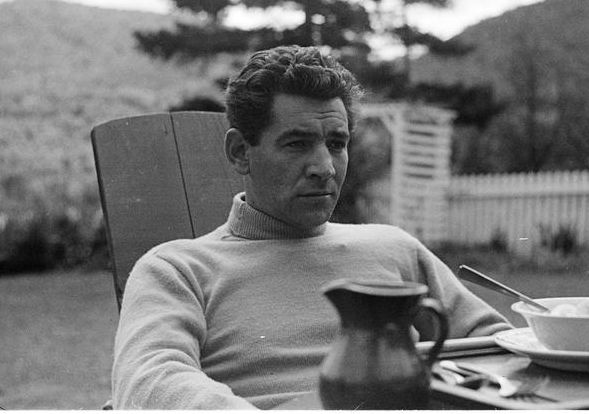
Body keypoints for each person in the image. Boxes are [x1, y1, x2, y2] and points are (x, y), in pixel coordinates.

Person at [111, 45, 511, 409]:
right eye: (297, 144)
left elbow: (498, 347)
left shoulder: (394, 248)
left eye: (336, 144)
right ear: (240, 152)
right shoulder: (178, 270)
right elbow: (151, 379)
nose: (324, 168)